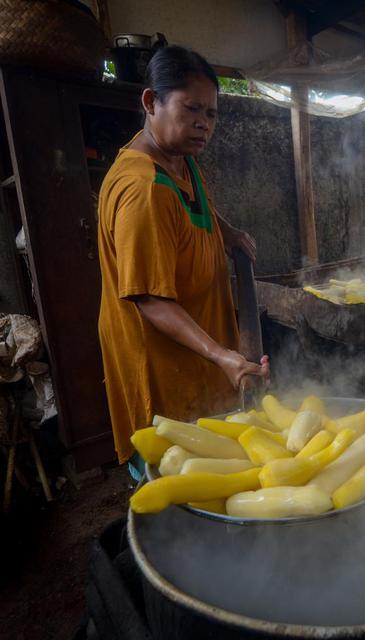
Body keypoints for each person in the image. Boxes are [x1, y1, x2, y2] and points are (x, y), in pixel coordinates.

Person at [97, 45, 270, 467]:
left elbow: (198, 203)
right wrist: (221, 355)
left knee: (212, 453)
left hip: (200, 340)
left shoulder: (178, 157)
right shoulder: (143, 190)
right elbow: (150, 299)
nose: (203, 124)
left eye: (211, 114)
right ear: (151, 101)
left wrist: (225, 230)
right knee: (174, 463)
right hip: (162, 359)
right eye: (191, 109)